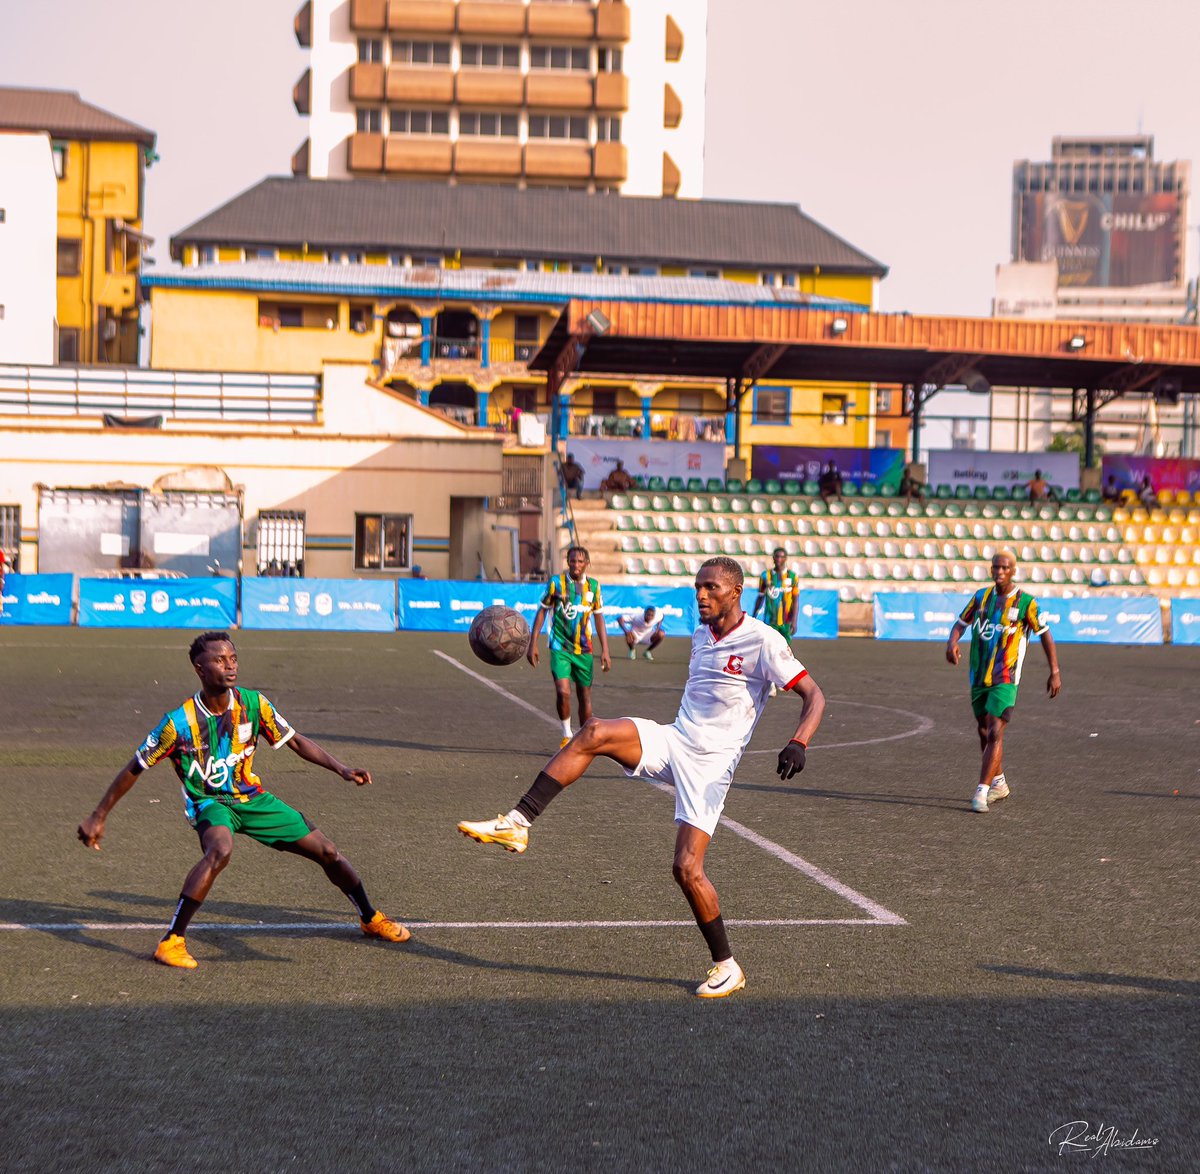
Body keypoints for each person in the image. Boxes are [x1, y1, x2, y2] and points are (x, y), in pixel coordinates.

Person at [457, 557, 826, 999]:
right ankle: (517, 824)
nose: (701, 596)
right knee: (593, 732)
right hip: (674, 739)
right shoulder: (701, 633)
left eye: (711, 588)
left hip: (711, 767)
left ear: (735, 592)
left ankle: (727, 966)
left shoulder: (763, 641)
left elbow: (814, 695)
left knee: (687, 870)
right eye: (697, 588)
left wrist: (799, 741)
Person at [76, 631, 409, 968]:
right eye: (219, 660)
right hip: (209, 802)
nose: (230, 665)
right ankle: (172, 941)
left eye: (233, 658)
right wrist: (99, 815)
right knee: (219, 850)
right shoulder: (177, 723)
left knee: (328, 852)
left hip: (252, 799)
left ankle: (370, 918)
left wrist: (341, 769)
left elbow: (294, 740)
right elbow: (135, 767)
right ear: (199, 668)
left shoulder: (254, 704)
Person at [944, 551, 1061, 813]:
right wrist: (952, 642)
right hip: (978, 675)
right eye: (996, 566)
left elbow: (1045, 634)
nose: (999, 571)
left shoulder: (1026, 602)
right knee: (984, 731)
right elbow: (960, 623)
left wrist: (1054, 670)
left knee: (996, 729)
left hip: (1006, 677)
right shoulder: (980, 597)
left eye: (1004, 567)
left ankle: (981, 792)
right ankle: (998, 783)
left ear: (1013, 571)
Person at [527, 546, 611, 748]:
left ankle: (583, 740)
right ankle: (566, 734)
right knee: (563, 692)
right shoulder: (556, 583)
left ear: (587, 564)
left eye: (580, 561)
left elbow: (599, 618)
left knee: (585, 696)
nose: (576, 565)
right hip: (560, 647)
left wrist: (605, 651)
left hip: (584, 650)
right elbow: (542, 611)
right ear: (567, 561)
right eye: (572, 561)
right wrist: (533, 643)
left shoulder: (594, 587)